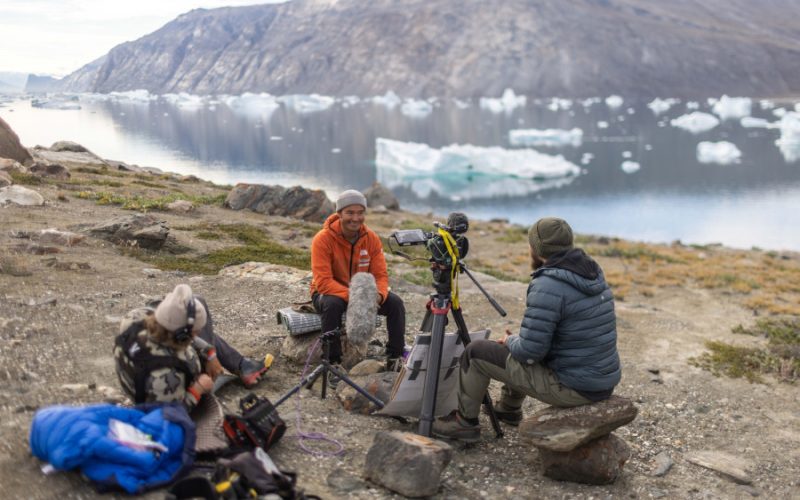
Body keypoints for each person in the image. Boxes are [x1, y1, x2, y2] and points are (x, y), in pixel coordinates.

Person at [432, 217, 621, 442]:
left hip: (573, 387)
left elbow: (530, 352)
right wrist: (518, 341)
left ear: (537, 249)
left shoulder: (548, 284)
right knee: (521, 342)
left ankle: (464, 424)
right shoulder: (591, 272)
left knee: (476, 352)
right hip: (601, 381)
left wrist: (511, 342)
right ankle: (509, 409)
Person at [114, 284, 268, 411]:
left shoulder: (135, 317)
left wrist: (210, 354)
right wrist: (198, 389)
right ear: (182, 336)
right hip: (153, 399)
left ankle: (241, 365)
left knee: (196, 301)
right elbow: (170, 414)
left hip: (142, 373)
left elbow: (177, 327)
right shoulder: (171, 373)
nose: (197, 334)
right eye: (195, 333)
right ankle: (240, 366)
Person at [310, 189, 407, 373]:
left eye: (360, 212)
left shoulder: (371, 239)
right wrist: (357, 297)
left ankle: (395, 357)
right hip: (328, 293)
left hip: (363, 295)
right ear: (339, 214)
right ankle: (332, 363)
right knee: (332, 305)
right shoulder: (322, 240)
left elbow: (380, 276)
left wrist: (377, 296)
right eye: (350, 212)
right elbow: (323, 282)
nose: (356, 218)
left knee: (395, 304)